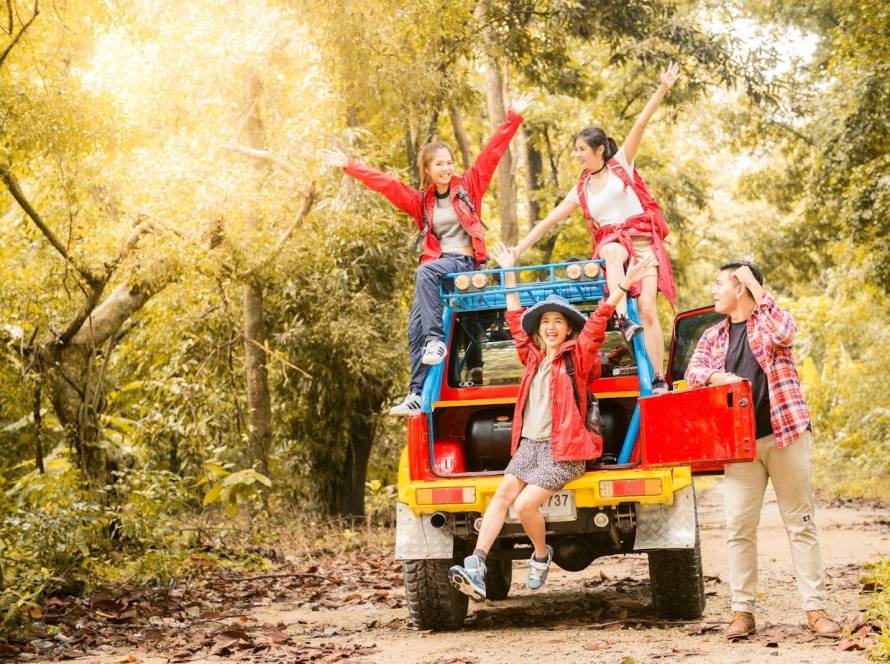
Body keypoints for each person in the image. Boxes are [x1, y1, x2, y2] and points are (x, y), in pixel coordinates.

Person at [448, 243, 653, 599]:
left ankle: (541, 556)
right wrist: (508, 270)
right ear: (539, 330)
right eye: (545, 322)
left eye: (558, 321)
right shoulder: (532, 359)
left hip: (567, 451)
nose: (551, 327)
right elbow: (515, 323)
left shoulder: (580, 354)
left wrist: (624, 285)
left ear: (570, 329)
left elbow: (600, 320)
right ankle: (476, 565)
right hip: (530, 445)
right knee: (500, 498)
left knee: (525, 504)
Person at [319, 93, 534, 415]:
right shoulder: (422, 202)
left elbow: (493, 152)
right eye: (439, 164)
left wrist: (512, 117)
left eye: (449, 162)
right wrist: (350, 166)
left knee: (425, 275)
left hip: (462, 263)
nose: (446, 168)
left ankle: (437, 340)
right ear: (428, 169)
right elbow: (387, 185)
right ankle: (417, 393)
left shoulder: (469, 187)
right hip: (438, 265)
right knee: (414, 325)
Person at [685, 261, 842, 639]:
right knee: (739, 527)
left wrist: (757, 289)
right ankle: (742, 612)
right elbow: (693, 374)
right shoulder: (713, 337)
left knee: (799, 523)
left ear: (740, 287)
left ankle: (815, 609)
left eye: (720, 283)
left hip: (786, 433)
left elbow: (786, 332)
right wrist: (715, 376)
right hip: (740, 446)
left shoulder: (769, 322)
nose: (714, 289)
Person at [511, 64, 680, 394]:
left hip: (643, 245)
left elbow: (640, 124)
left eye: (581, 150)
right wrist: (519, 249)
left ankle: (659, 379)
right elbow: (549, 220)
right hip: (613, 247)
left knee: (648, 309)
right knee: (613, 248)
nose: (577, 156)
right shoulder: (582, 188)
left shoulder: (621, 167)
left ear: (599, 150)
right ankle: (621, 317)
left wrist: (662, 88)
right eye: (575, 150)